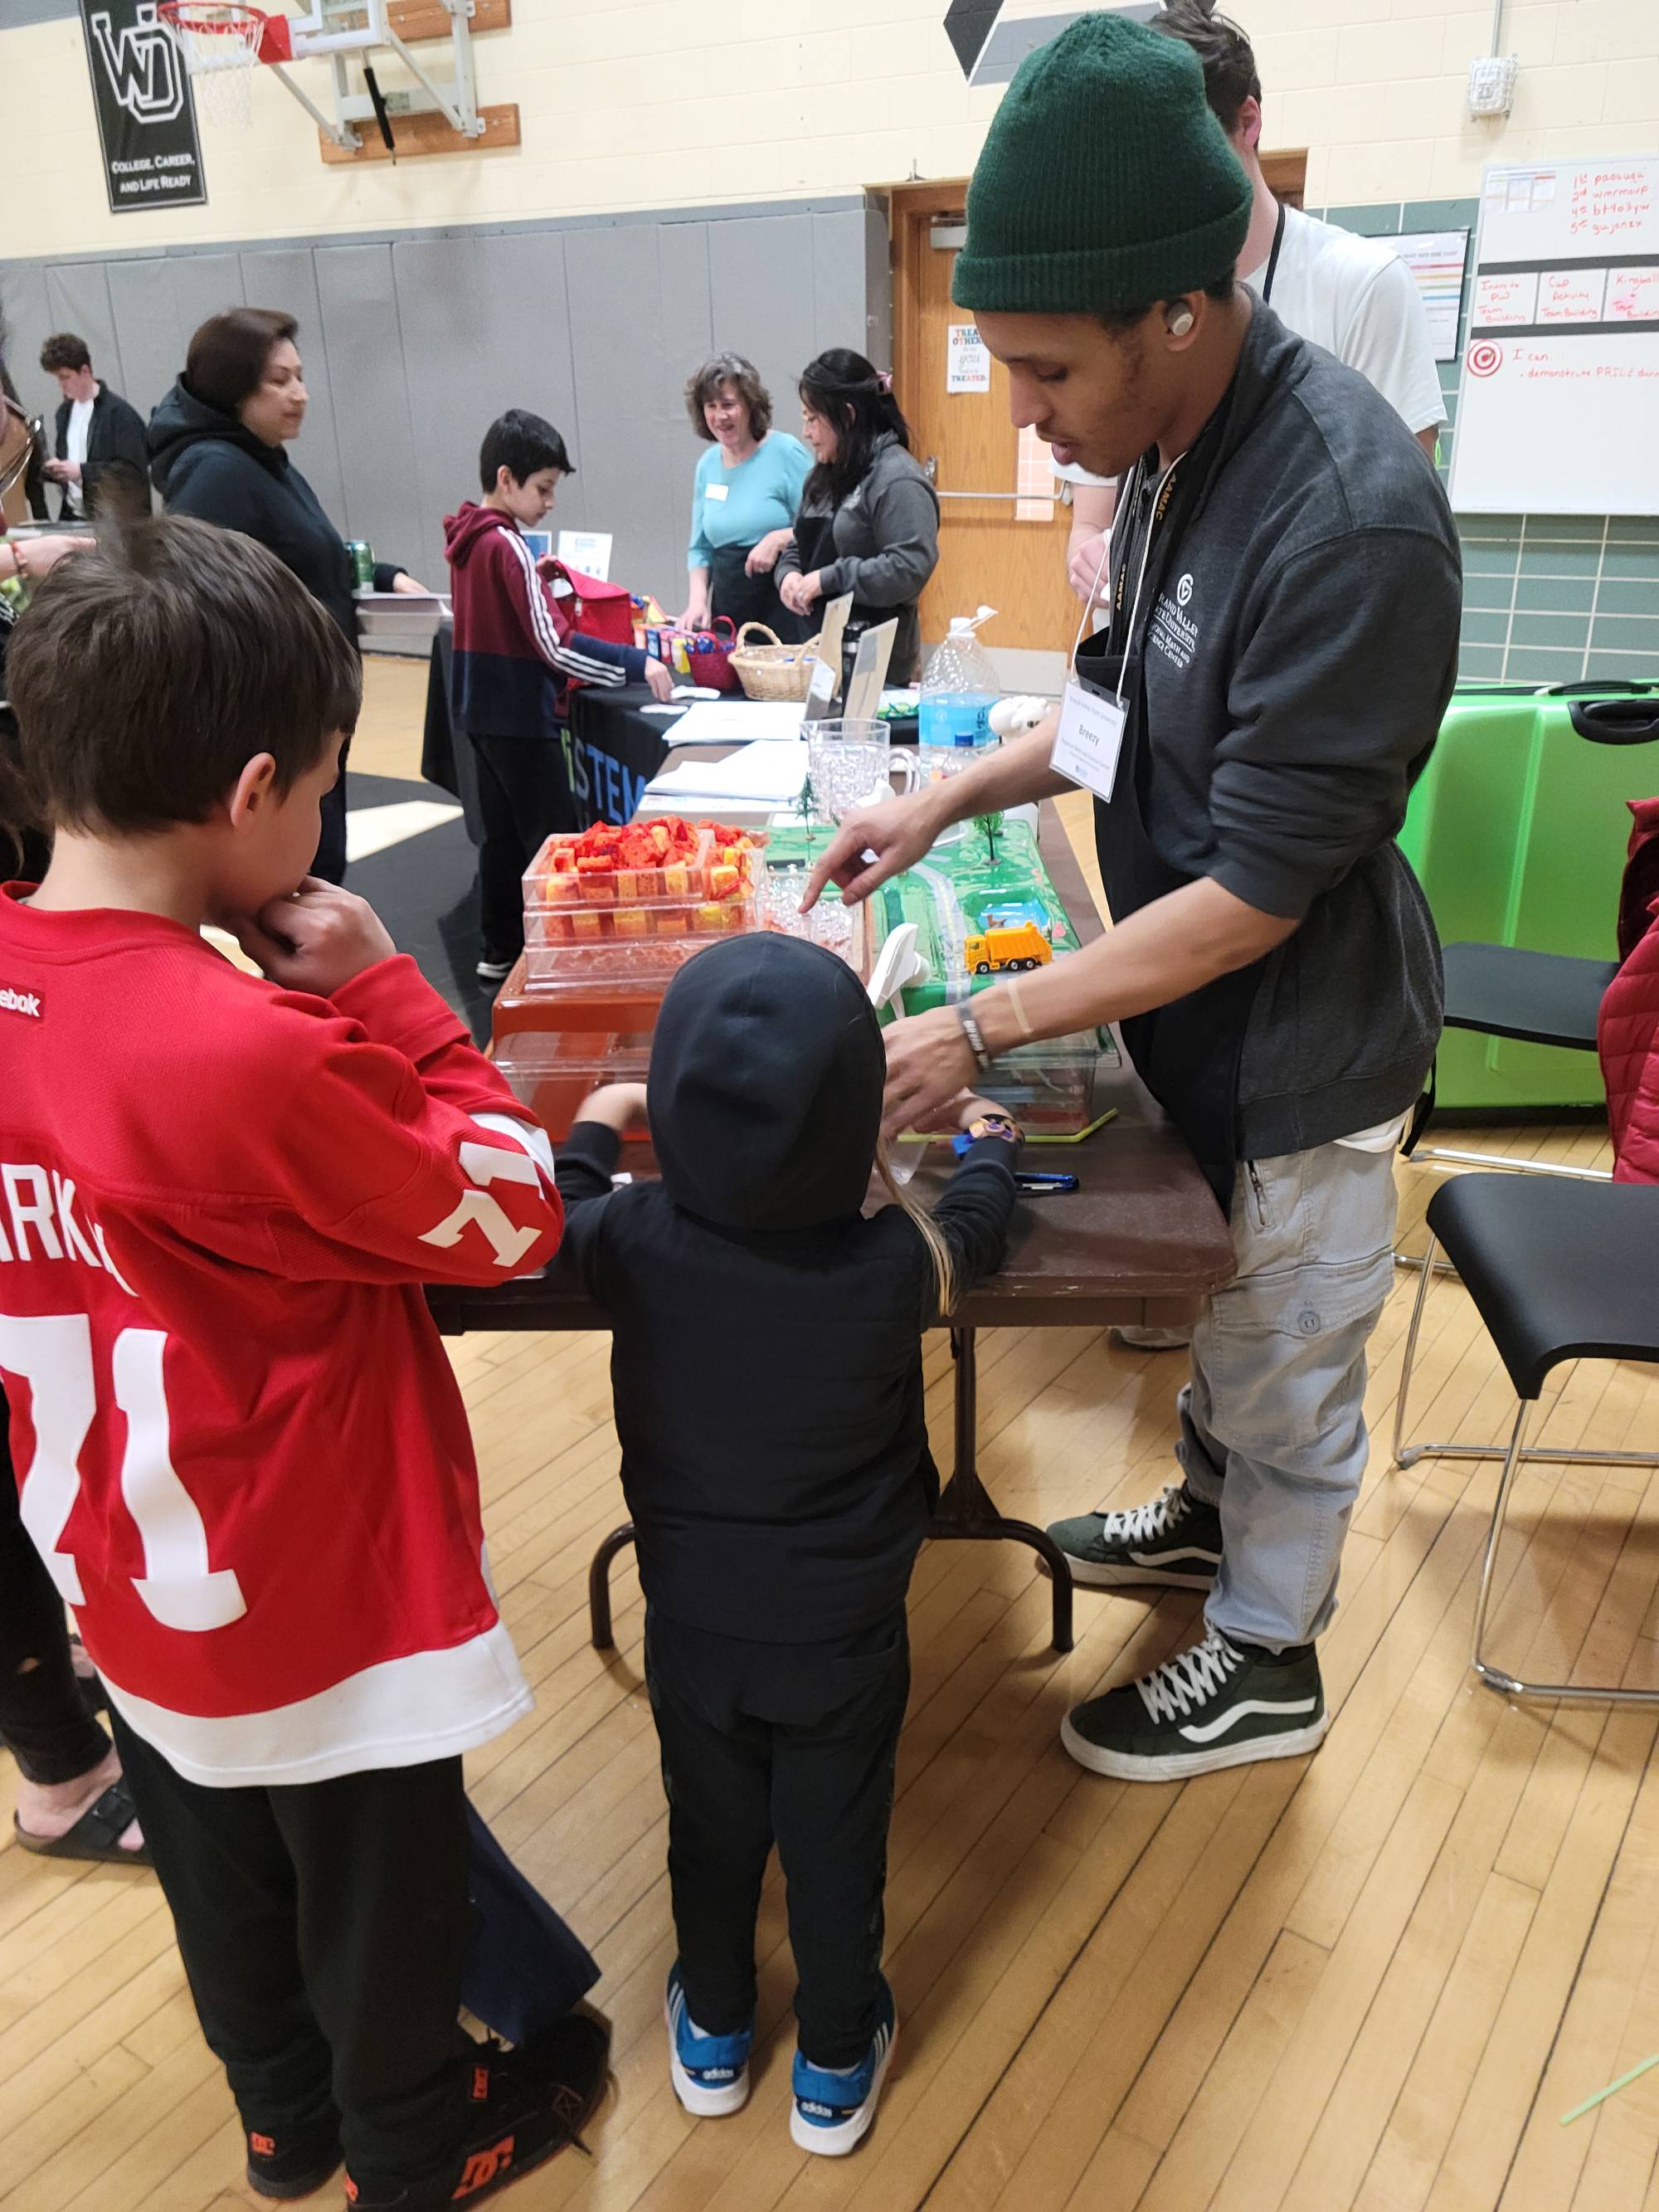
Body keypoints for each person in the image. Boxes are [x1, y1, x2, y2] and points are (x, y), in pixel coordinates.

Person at [804, 12, 1461, 1783]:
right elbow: (1111, 705)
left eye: (1041, 369)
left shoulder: (1345, 520)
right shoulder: (1171, 446)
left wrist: (979, 1017)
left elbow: (1255, 892)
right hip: (1194, 1008)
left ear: (1178, 307)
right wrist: (947, 792)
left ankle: (1268, 1646)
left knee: (1289, 1340)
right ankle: (1204, 1515)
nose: (1016, 409)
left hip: (1303, 1040)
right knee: (1228, 1327)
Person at [0, 514, 608, 2210]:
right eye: (328, 786)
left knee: (224, 1886)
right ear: (257, 787)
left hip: (123, 1577)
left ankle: (283, 2128)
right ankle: (420, 2145)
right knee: (379, 1906)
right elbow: (507, 1214)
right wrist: (396, 997)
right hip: (311, 1596)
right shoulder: (234, 1052)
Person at [551, 935, 1020, 2155]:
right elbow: (973, 1227)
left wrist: (602, 1117)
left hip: (693, 1619)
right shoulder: (886, 1265)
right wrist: (987, 1143)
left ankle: (710, 2031)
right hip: (843, 1633)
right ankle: (831, 2055)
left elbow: (562, 1212)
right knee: (836, 1836)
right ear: (856, 1121)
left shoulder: (634, 1244)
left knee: (706, 1824)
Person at [1063, 0, 1446, 612]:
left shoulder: (1361, 284)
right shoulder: (1131, 301)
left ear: (1249, 120)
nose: (1165, 188)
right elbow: (1091, 522)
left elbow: (1398, 530)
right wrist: (1093, 554)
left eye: (1185, 153)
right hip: (1149, 649)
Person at [148, 308, 429, 884]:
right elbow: (192, 609)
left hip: (312, 715)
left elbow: (306, 552)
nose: (299, 394)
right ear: (233, 388)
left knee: (320, 871)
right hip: (278, 727)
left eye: (299, 376)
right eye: (279, 381)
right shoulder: (216, 471)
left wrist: (383, 576)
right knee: (302, 881)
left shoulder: (265, 461)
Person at [445, 408, 673, 982]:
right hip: (521, 718)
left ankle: (499, 952)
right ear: (506, 479)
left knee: (500, 841)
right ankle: (568, 961)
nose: (549, 503)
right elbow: (555, 645)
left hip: (480, 713)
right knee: (553, 840)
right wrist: (633, 662)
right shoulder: (508, 547)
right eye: (543, 489)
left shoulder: (467, 540)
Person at [776, 350, 940, 688]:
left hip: (878, 667)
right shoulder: (822, 475)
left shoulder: (898, 479)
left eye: (812, 418)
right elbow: (801, 543)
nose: (805, 432)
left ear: (847, 416)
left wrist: (830, 578)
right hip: (817, 656)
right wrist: (789, 574)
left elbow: (909, 568)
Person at [680, 353, 812, 638]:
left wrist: (778, 538)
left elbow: (824, 525)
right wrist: (697, 601)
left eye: (728, 405)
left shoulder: (785, 453)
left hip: (782, 604)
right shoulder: (707, 465)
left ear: (751, 406)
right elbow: (700, 548)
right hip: (729, 607)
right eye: (710, 406)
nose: (720, 416)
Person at [38, 333, 148, 524]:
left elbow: (133, 472)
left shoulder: (120, 414)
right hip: (75, 516)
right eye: (58, 378)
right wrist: (57, 470)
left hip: (115, 521)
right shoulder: (63, 413)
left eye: (66, 377)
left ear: (85, 371)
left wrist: (82, 471)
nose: (61, 385)